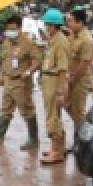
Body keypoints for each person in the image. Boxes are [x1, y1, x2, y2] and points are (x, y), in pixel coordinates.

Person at [0, 15, 41, 151]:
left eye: (13, 29)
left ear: (20, 28)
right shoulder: (7, 42)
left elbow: (37, 61)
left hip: (21, 83)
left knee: (27, 110)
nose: (10, 32)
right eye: (8, 29)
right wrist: (2, 75)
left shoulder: (28, 43)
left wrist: (28, 72)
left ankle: (33, 139)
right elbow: (4, 59)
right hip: (8, 80)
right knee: (6, 109)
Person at [38, 9, 70, 165]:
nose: (46, 27)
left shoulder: (61, 42)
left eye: (47, 25)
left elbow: (63, 68)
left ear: (53, 26)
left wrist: (60, 90)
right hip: (48, 79)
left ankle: (57, 152)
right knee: (54, 115)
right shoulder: (53, 40)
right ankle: (58, 148)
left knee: (52, 117)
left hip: (54, 80)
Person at [65, 8, 93, 137]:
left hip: (80, 79)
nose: (68, 24)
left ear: (80, 23)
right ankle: (82, 132)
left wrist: (72, 81)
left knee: (78, 110)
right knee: (66, 104)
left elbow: (84, 64)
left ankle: (84, 137)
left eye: (70, 21)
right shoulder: (73, 33)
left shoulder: (87, 40)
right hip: (71, 77)